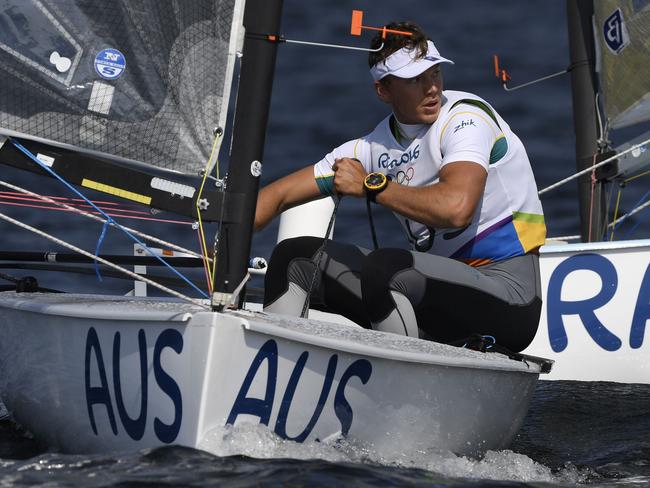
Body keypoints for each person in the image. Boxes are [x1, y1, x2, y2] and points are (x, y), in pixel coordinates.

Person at [254, 21, 546, 353]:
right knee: (295, 257)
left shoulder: (466, 119)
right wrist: (215, 230)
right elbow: (276, 198)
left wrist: (370, 186)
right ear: (384, 90)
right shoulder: (369, 149)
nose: (432, 88)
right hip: (433, 295)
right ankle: (269, 368)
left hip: (508, 294)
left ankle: (402, 382)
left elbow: (456, 209)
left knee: (387, 268)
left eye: (434, 73)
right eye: (415, 80)